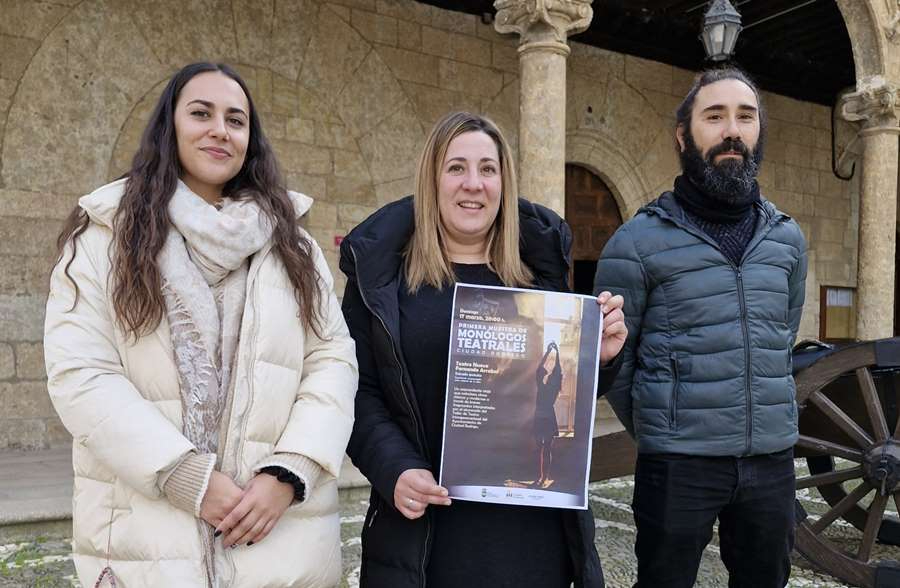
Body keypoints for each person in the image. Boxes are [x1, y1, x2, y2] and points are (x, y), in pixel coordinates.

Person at [44, 62, 358, 587]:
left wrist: (290, 471)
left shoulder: (292, 245)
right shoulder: (103, 235)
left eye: (236, 120)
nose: (220, 129)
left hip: (279, 538)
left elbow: (331, 357)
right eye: (201, 113)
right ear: (170, 126)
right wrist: (182, 473)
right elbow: (82, 374)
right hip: (146, 539)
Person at [340, 111, 627, 588]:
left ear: (503, 182)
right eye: (456, 168)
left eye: (487, 169)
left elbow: (556, 388)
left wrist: (600, 358)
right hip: (428, 530)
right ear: (432, 180)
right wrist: (393, 469)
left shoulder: (538, 277)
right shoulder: (382, 280)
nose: (473, 184)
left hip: (532, 536)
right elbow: (357, 389)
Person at [593, 67, 808, 588]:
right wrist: (663, 430)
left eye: (745, 116)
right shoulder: (635, 242)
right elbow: (615, 359)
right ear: (683, 135)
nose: (732, 129)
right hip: (678, 467)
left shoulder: (788, 240)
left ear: (758, 133)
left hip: (771, 463)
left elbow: (782, 338)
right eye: (714, 116)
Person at [534, 341, 563, 488]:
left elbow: (540, 368)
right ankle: (542, 477)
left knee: (543, 449)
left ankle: (543, 477)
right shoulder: (551, 386)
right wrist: (555, 353)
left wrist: (549, 352)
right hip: (546, 416)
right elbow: (554, 370)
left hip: (542, 415)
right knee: (544, 449)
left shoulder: (545, 386)